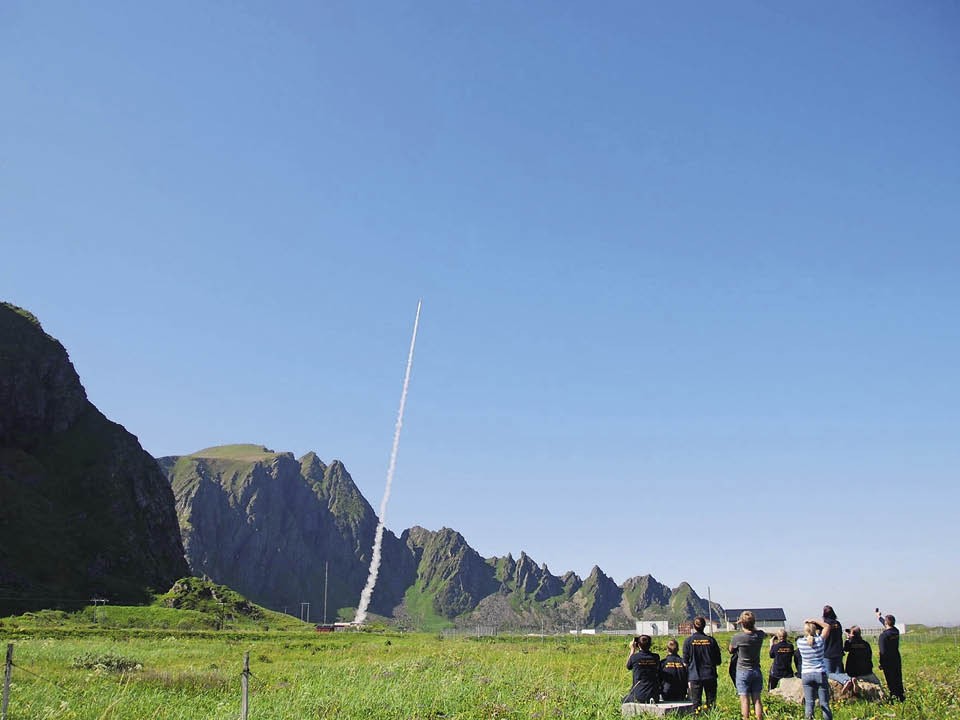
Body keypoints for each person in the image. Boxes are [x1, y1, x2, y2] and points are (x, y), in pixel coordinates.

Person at [729, 610, 766, 720]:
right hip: (756, 670)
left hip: (742, 671)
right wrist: (750, 624)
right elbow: (756, 630)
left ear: (741, 622)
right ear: (754, 622)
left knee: (745, 701)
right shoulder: (760, 635)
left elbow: (731, 650)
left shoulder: (738, 637)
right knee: (757, 700)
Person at [796, 618, 834, 720]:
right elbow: (827, 626)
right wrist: (814, 621)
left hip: (806, 674)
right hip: (820, 673)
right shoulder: (820, 641)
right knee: (824, 703)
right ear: (815, 630)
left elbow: (806, 638)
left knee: (809, 703)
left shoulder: (800, 642)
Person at [682, 616, 722, 711]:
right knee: (711, 703)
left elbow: (685, 661)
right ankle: (712, 716)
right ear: (704, 626)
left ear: (693, 626)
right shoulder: (711, 641)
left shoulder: (688, 641)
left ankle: (697, 716)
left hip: (695, 676)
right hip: (710, 675)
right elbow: (718, 661)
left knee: (696, 704)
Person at [625, 635, 661, 704]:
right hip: (654, 696)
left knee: (624, 699)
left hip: (639, 696)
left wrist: (632, 650)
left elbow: (628, 666)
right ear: (650, 645)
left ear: (638, 645)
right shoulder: (656, 657)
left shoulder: (634, 657)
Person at [877, 612, 905, 702]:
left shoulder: (883, 636)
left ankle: (894, 697)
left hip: (888, 660)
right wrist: (879, 617)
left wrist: (881, 663)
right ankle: (900, 695)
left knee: (890, 679)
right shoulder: (896, 631)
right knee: (898, 677)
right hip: (896, 658)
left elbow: (882, 652)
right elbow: (887, 625)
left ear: (886, 623)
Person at [821, 605, 844, 673]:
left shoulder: (824, 625)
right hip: (838, 651)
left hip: (828, 652)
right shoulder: (837, 624)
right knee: (839, 674)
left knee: (829, 674)